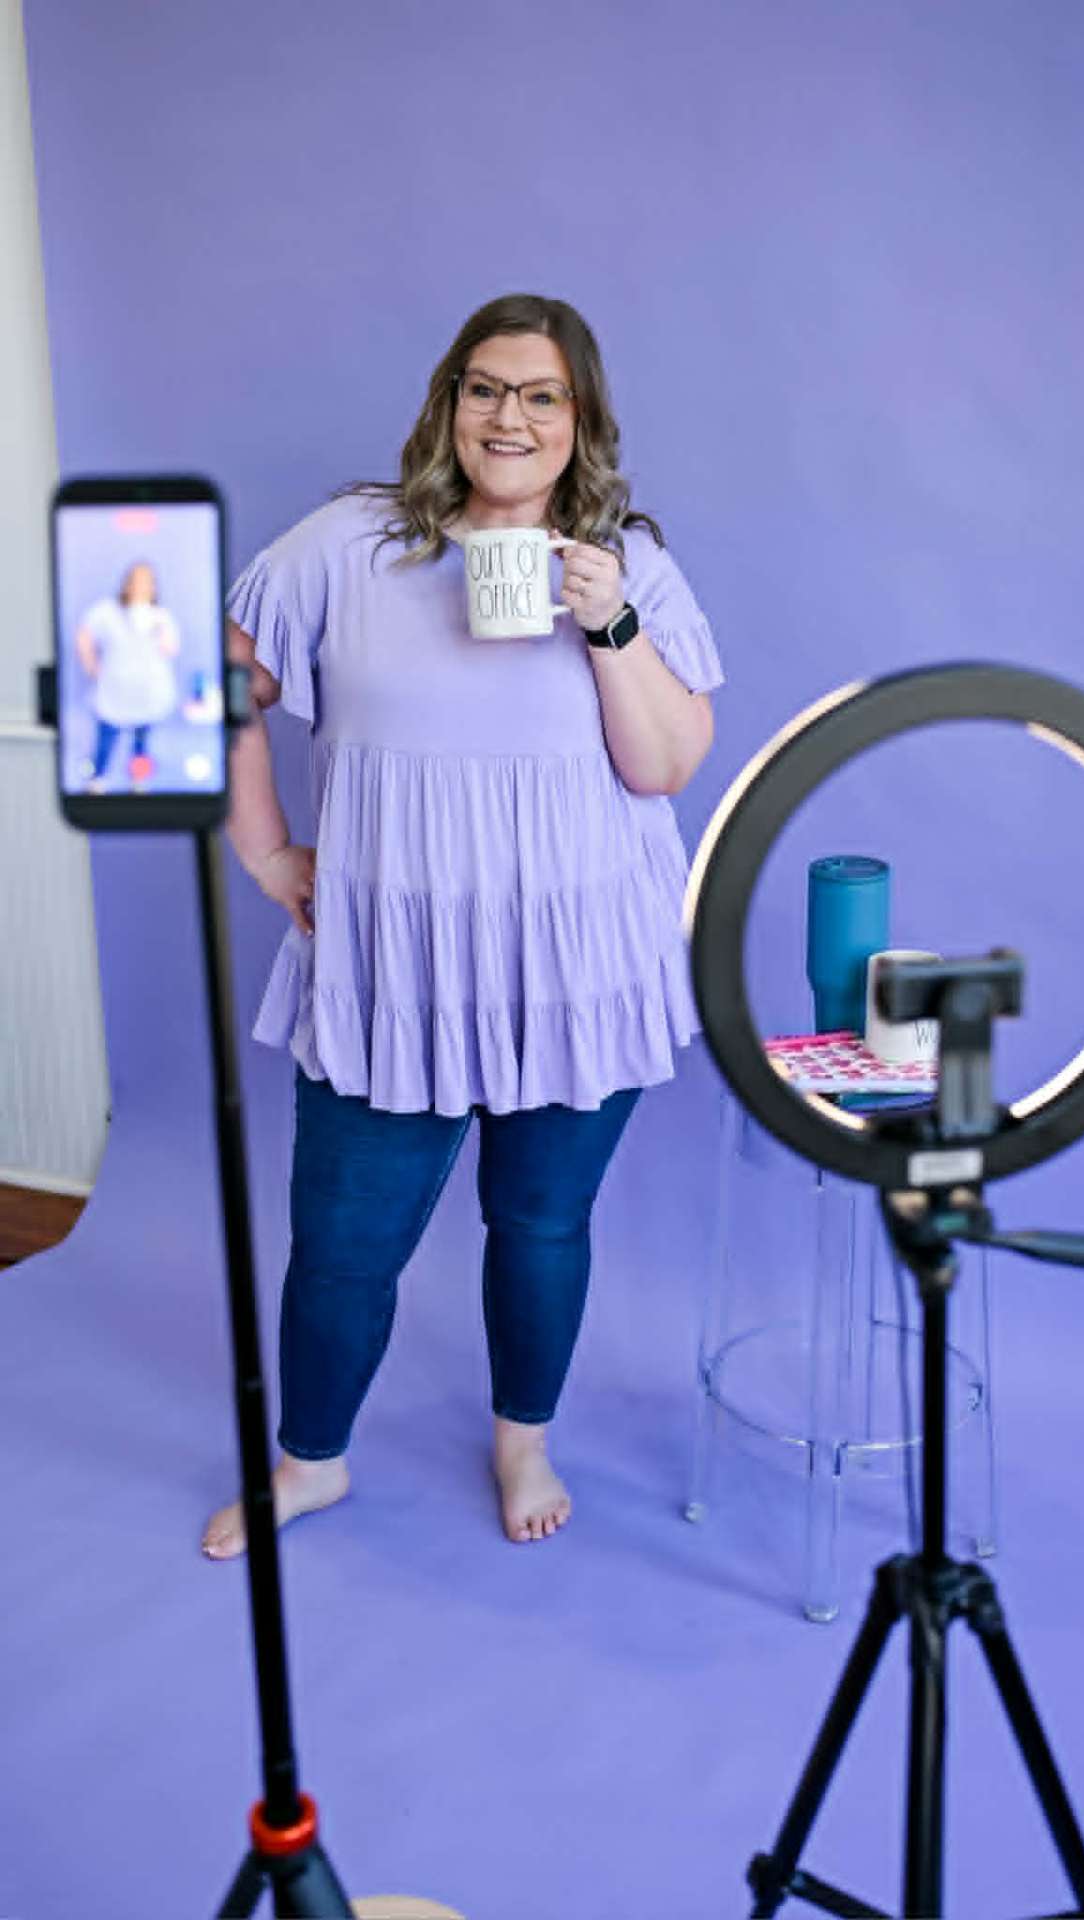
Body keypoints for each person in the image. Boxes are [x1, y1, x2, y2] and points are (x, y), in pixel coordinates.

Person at [201, 293, 721, 1557]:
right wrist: (267, 850)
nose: (509, 414)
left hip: (577, 967)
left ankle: (520, 1441)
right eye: (484, 387)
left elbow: (664, 767)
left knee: (540, 1224)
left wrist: (606, 621)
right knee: (340, 1247)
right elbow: (215, 685)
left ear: (579, 418)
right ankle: (307, 1465)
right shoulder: (349, 546)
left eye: (541, 394)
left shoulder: (627, 564)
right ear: (447, 403)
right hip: (393, 971)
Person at [75, 562, 180, 792]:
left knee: (141, 744)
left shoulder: (159, 616)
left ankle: (139, 782)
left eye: (146, 582)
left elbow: (171, 649)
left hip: (147, 692)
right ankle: (97, 780)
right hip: (115, 690)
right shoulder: (107, 612)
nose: (141, 586)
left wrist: (159, 632)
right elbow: (84, 634)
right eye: (136, 580)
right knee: (106, 739)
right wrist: (91, 666)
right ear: (127, 583)